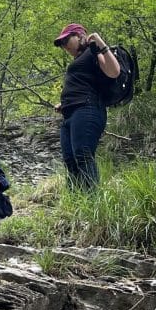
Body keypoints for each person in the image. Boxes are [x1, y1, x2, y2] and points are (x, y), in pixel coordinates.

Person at [54, 23, 120, 189]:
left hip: (88, 109)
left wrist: (99, 42)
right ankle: (76, 200)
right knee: (70, 158)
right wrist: (65, 103)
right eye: (61, 43)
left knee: (83, 154)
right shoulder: (80, 60)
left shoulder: (92, 52)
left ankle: (92, 199)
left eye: (66, 40)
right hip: (71, 113)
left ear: (80, 36)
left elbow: (114, 71)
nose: (64, 46)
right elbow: (84, 83)